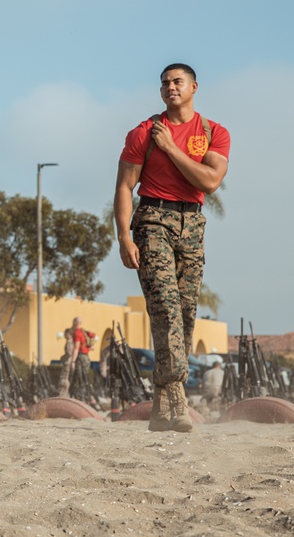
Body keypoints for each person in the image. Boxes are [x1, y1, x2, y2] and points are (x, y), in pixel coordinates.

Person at [114, 63, 231, 433]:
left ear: (194, 87)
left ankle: (161, 401)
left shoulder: (214, 133)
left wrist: (171, 148)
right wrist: (123, 237)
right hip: (152, 220)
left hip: (193, 224)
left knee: (184, 313)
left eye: (177, 82)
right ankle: (176, 395)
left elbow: (210, 181)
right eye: (164, 83)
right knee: (164, 307)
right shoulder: (144, 132)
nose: (170, 88)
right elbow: (123, 187)